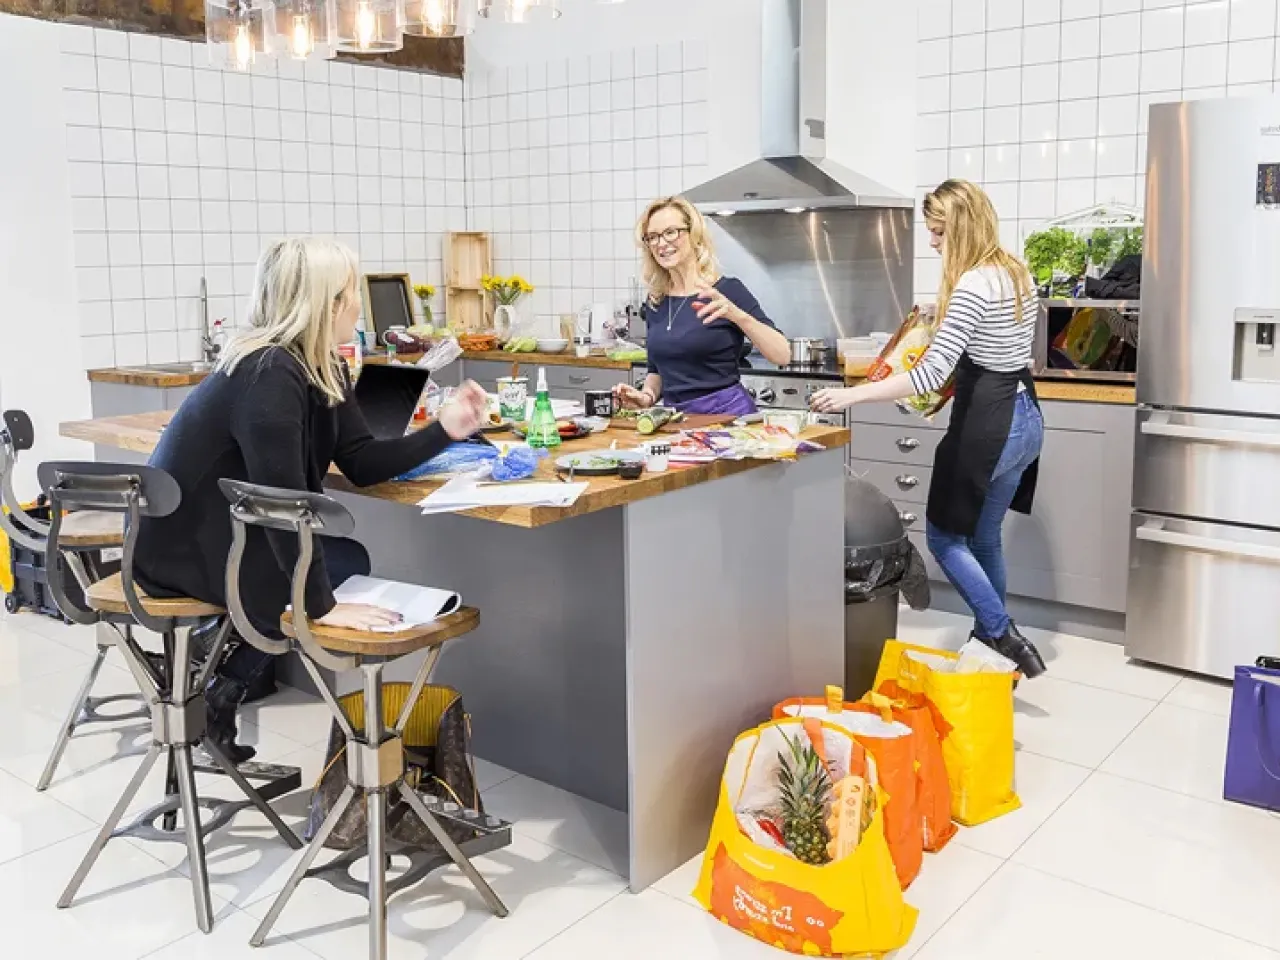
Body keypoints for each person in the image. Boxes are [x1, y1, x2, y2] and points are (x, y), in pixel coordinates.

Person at [134, 237, 488, 762]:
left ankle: (217, 677)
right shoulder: (268, 372)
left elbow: (362, 462)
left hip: (226, 532)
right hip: (182, 548)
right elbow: (281, 503)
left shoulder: (319, 365)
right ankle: (218, 684)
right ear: (326, 303)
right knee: (337, 567)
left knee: (343, 560)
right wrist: (321, 606)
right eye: (351, 292)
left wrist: (445, 429)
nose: (358, 305)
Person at [811, 179, 1047, 678]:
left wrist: (852, 394)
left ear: (961, 226)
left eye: (939, 232)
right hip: (1027, 420)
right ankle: (989, 646)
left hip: (988, 426)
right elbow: (1015, 355)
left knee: (942, 538)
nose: (934, 242)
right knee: (984, 539)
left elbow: (928, 374)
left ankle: (1002, 633)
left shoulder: (972, 284)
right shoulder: (1016, 272)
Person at [612, 196, 790, 415]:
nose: (661, 243)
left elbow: (782, 355)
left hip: (729, 420)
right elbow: (657, 369)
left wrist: (736, 315)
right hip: (677, 421)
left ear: (694, 235)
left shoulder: (726, 290)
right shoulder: (656, 301)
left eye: (670, 232)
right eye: (653, 237)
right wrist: (646, 396)